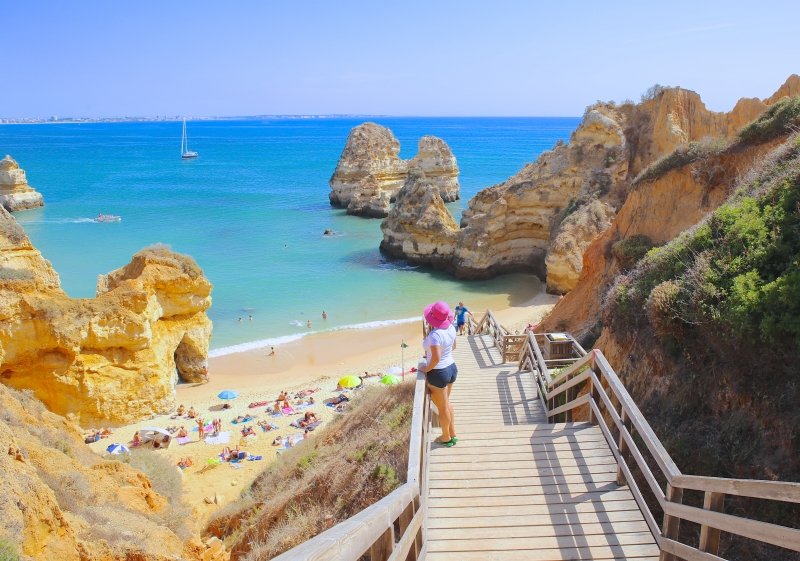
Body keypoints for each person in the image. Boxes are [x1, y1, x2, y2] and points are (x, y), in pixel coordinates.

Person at [422, 301, 459, 447]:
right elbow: (453, 346)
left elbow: (436, 358)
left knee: (442, 407)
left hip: (439, 372)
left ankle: (445, 437)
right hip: (451, 367)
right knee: (446, 403)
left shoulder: (435, 335)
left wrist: (426, 369)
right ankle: (452, 433)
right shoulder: (451, 328)